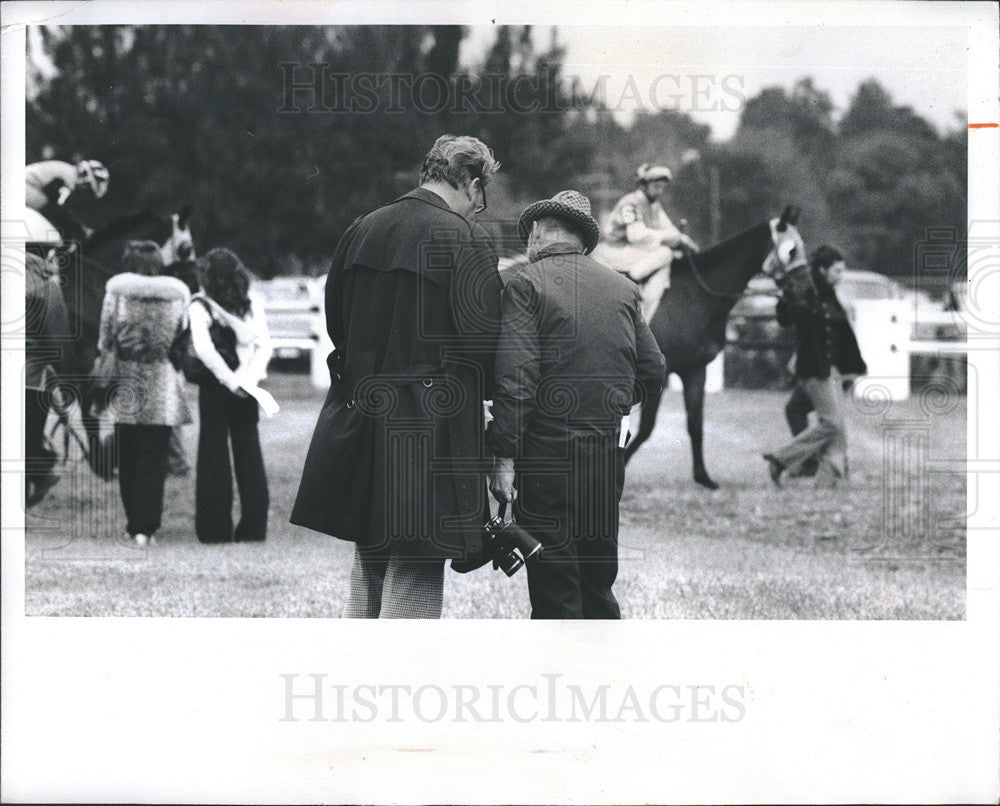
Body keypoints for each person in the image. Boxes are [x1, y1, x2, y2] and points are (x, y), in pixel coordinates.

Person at [291, 134, 503, 619]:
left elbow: (336, 324)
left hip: (362, 414)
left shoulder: (363, 228)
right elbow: (483, 345)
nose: (481, 207)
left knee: (370, 557)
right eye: (482, 194)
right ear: (471, 184)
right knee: (416, 564)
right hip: (430, 424)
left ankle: (358, 676)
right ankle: (397, 684)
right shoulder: (465, 239)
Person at [487, 190, 666, 619]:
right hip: (605, 451)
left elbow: (516, 380)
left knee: (554, 584)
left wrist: (504, 454)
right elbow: (654, 367)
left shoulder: (526, 284)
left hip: (548, 451)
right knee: (597, 581)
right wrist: (613, 403)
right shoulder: (623, 288)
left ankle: (562, 683)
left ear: (540, 233)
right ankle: (603, 677)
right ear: (583, 240)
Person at [96, 241, 190, 546]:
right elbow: (181, 334)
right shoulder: (177, 295)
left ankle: (132, 521)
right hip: (161, 380)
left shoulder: (117, 293)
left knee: (129, 454)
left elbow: (105, 338)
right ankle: (146, 527)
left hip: (127, 379)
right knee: (154, 457)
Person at [763, 245, 867, 487]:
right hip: (813, 371)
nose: (841, 276)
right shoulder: (806, 295)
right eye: (837, 270)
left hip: (830, 371)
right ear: (823, 270)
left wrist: (852, 368)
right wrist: (785, 296)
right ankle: (782, 459)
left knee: (823, 421)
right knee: (832, 424)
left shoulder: (829, 295)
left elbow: (841, 334)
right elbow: (786, 318)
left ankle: (828, 481)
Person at [190, 247, 274, 544]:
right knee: (249, 454)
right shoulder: (253, 304)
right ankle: (254, 527)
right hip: (249, 387)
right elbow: (264, 346)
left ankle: (214, 529)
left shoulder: (200, 307)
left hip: (215, 387)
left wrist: (229, 381)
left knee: (213, 454)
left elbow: (205, 351)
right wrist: (247, 380)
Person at [603, 162, 699, 320]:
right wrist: (672, 238)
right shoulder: (630, 203)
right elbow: (636, 235)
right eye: (656, 186)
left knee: (665, 268)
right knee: (665, 253)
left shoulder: (654, 205)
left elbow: (669, 229)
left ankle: (645, 318)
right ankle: (632, 280)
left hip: (634, 251)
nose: (659, 191)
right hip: (613, 250)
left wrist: (684, 240)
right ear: (643, 185)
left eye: (662, 187)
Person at [25, 251, 71, 507]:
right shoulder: (47, 288)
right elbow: (58, 340)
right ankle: (41, 471)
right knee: (26, 437)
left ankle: (42, 469)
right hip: (31, 380)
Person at [26, 159, 109, 242]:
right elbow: (56, 208)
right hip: (26, 190)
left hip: (28, 186)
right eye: (89, 190)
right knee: (53, 236)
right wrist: (80, 229)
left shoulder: (67, 169)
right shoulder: (69, 180)